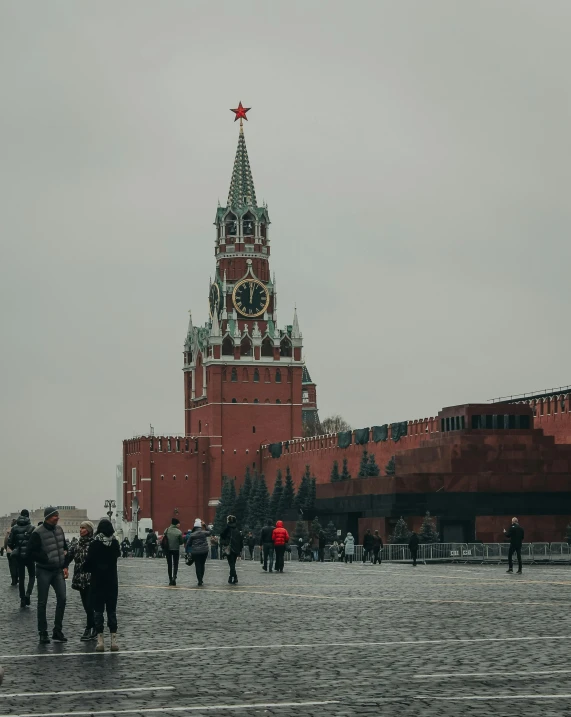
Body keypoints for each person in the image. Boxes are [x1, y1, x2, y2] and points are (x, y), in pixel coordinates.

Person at [27, 507, 68, 644]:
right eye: (55, 515)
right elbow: (30, 552)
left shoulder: (59, 530)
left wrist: (65, 563)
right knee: (42, 602)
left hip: (57, 570)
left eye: (58, 515)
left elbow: (64, 547)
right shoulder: (37, 533)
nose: (58, 517)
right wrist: (45, 558)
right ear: (48, 517)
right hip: (44, 570)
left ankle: (57, 630)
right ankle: (43, 632)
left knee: (62, 598)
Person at [83, 519, 120, 652]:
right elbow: (117, 555)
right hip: (112, 581)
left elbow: (88, 563)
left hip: (97, 581)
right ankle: (114, 641)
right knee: (111, 610)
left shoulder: (95, 544)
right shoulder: (115, 543)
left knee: (98, 611)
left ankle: (100, 641)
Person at [64, 521, 96, 641]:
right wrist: (65, 566)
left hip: (91, 578)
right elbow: (68, 557)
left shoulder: (94, 544)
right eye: (80, 527)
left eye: (83, 528)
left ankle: (89, 628)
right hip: (79, 578)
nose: (81, 530)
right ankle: (94, 627)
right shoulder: (76, 545)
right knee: (86, 605)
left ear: (89, 530)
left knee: (89, 604)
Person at [7, 509, 36, 608]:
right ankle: (28, 594)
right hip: (30, 556)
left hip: (19, 557)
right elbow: (35, 543)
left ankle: (22, 598)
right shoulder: (32, 528)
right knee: (32, 576)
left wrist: (17, 548)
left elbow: (9, 543)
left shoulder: (14, 528)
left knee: (22, 578)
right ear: (28, 516)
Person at [186, 519, 211, 586]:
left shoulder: (192, 534)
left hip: (195, 552)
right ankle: (201, 578)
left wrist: (189, 549)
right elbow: (210, 532)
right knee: (202, 564)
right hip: (204, 551)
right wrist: (205, 525)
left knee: (197, 565)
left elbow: (188, 543)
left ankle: (199, 580)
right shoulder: (204, 532)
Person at [221, 515, 243, 584]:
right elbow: (241, 541)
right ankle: (230, 578)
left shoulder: (227, 529)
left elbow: (222, 535)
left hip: (229, 549)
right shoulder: (237, 530)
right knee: (232, 564)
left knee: (231, 564)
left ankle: (235, 577)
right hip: (236, 549)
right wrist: (240, 550)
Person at [163, 518, 183, 586]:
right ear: (176, 524)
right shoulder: (179, 532)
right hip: (176, 549)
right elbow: (181, 542)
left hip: (168, 549)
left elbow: (164, 537)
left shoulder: (167, 530)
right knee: (175, 564)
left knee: (169, 564)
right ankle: (174, 577)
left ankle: (170, 579)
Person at [5, 519, 19, 586]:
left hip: (9, 551)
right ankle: (17, 578)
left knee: (11, 566)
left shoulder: (9, 530)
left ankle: (14, 579)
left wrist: (6, 548)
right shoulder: (19, 530)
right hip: (17, 551)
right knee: (17, 565)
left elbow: (6, 540)